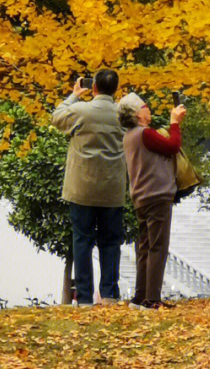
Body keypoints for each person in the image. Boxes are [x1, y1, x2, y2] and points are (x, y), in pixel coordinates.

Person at [52, 69, 127, 306]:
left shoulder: (80, 110)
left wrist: (74, 95)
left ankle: (84, 296)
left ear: (93, 87)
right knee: (111, 241)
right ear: (115, 89)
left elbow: (57, 117)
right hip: (112, 187)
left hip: (81, 187)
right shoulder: (123, 115)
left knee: (82, 240)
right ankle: (109, 294)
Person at [118, 93, 186, 309]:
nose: (149, 110)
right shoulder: (145, 134)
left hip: (141, 196)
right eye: (145, 107)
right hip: (157, 194)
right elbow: (173, 146)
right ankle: (152, 299)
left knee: (145, 247)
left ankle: (140, 297)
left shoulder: (129, 136)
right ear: (138, 114)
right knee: (158, 246)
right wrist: (175, 122)